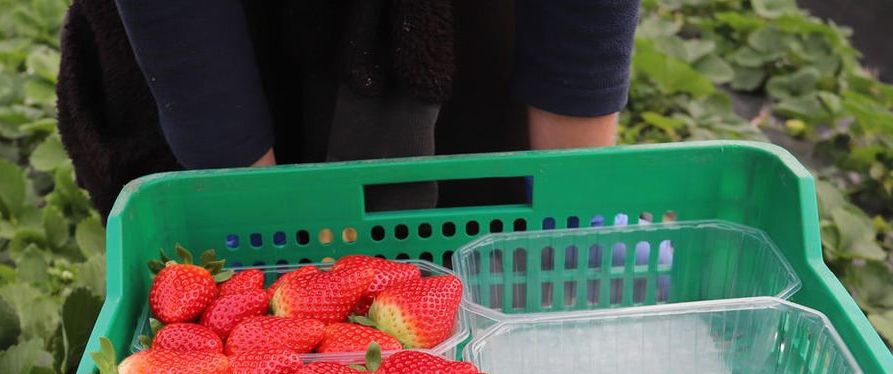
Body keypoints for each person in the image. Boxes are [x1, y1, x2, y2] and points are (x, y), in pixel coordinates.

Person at [57, 1, 641, 213]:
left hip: (457, 31)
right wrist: (247, 209)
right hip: (219, 45)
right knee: (230, 242)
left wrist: (579, 198)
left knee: (490, 241)